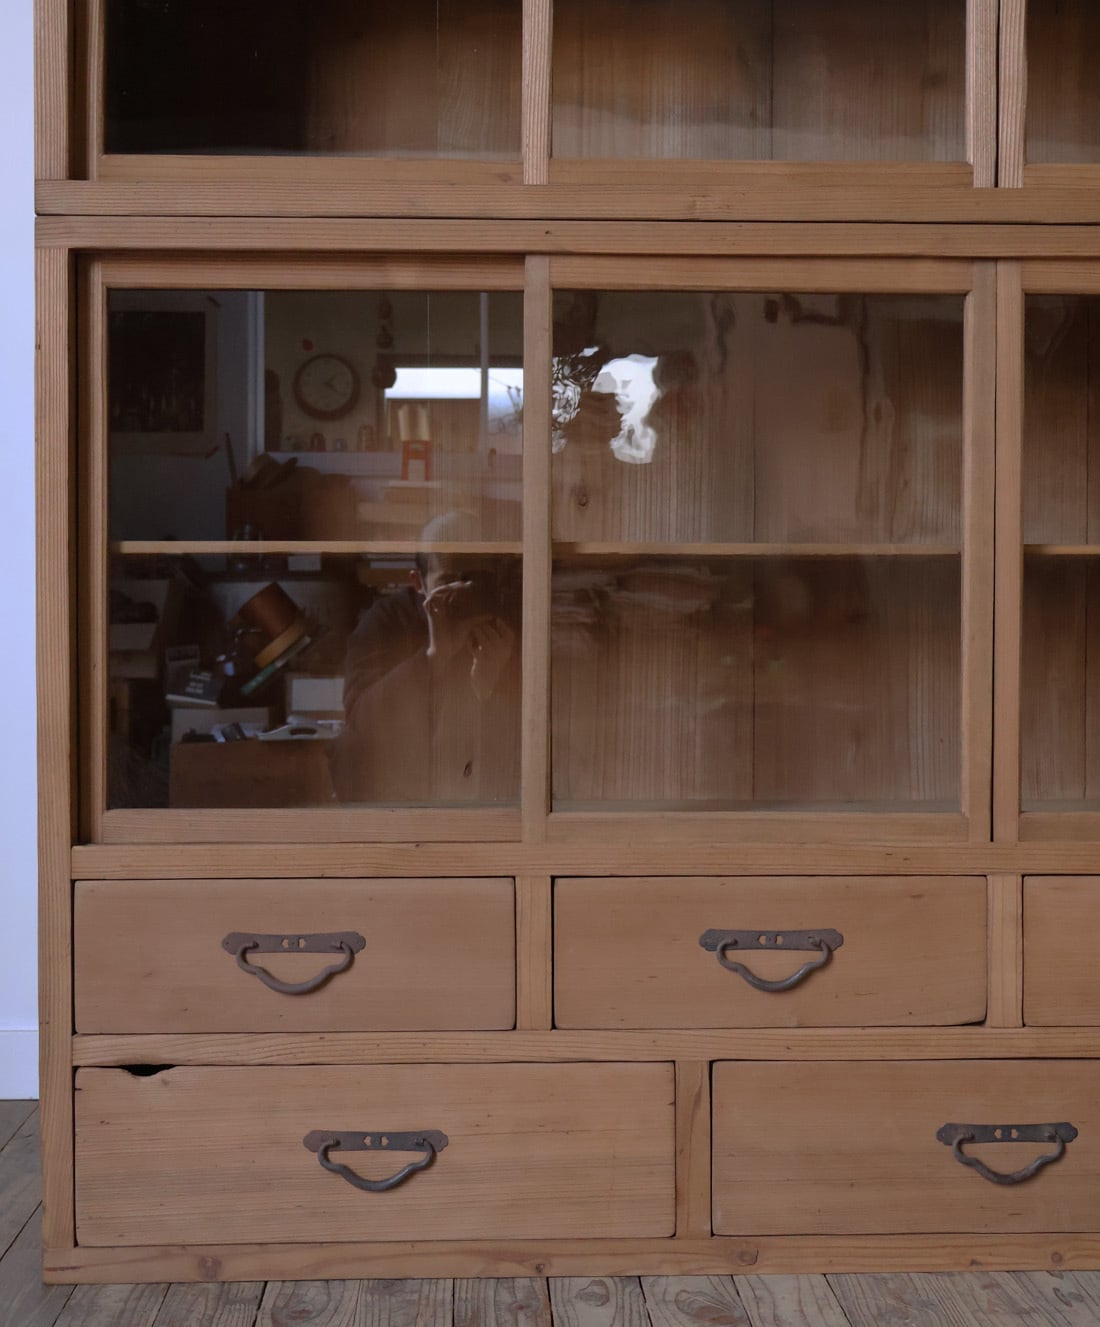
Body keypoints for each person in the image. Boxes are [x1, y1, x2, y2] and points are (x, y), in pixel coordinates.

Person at [330, 514, 520, 806]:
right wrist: (433, 657)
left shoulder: (508, 622)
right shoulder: (386, 622)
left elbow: (530, 731)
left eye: (475, 579)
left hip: (484, 784)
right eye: (447, 582)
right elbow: (361, 722)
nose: (462, 591)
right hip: (401, 783)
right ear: (417, 582)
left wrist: (488, 688)